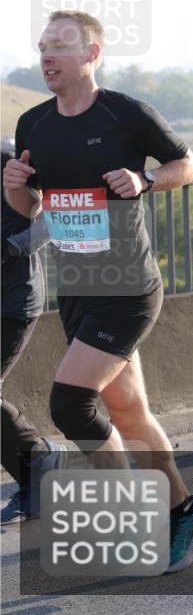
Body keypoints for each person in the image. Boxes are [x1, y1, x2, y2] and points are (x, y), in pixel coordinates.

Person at [2, 10, 193, 572]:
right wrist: (17, 188)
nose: (47, 56)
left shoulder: (125, 114)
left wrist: (146, 179)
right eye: (43, 46)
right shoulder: (35, 125)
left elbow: (186, 164)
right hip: (77, 285)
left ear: (91, 55)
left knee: (71, 402)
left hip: (128, 286)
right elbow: (31, 211)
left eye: (61, 47)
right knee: (130, 411)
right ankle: (184, 507)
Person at [1, 150, 66, 525]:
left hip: (13, 301)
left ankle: (39, 462)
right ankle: (39, 462)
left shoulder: (8, 166)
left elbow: (54, 221)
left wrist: (11, 247)